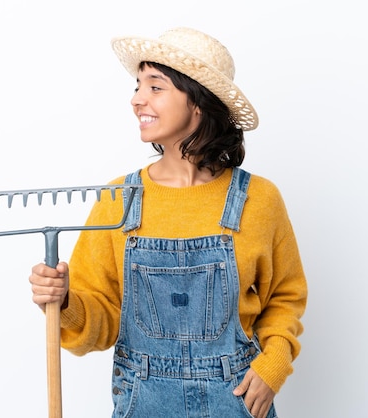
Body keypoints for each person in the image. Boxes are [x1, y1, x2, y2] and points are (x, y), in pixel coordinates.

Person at [29, 27, 307, 418]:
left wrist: (272, 367)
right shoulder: (118, 201)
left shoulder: (259, 200)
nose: (136, 99)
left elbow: (285, 297)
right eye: (138, 85)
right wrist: (64, 301)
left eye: (155, 87)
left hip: (237, 399)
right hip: (144, 401)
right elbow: (102, 322)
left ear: (198, 101)